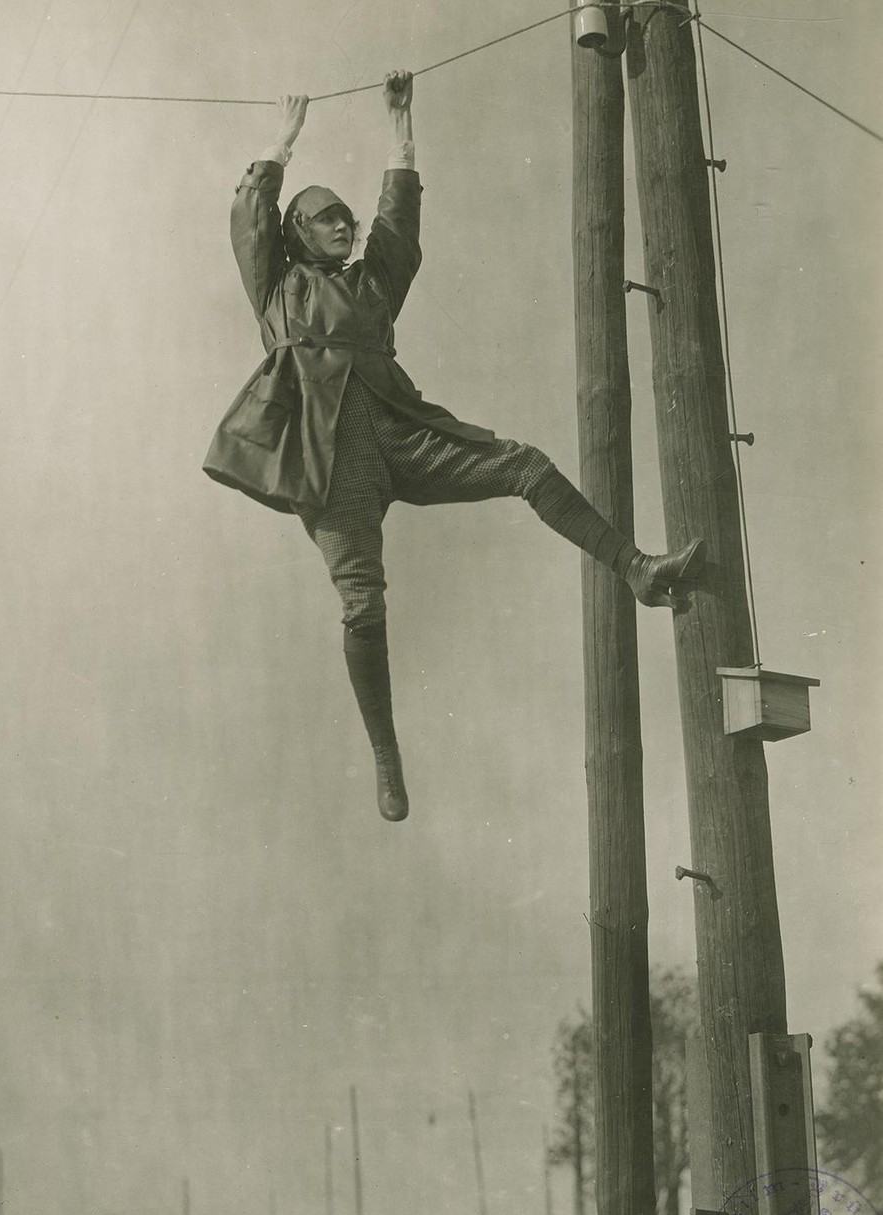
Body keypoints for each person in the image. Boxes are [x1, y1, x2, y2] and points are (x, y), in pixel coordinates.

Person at [205, 72, 704, 822]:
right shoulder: (277, 291)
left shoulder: (370, 288)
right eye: (328, 219)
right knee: (362, 603)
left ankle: (635, 568)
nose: (345, 226)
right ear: (298, 234)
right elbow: (249, 215)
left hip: (401, 432)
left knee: (526, 465)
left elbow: (398, 232)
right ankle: (385, 753)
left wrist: (400, 128)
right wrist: (281, 143)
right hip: (325, 458)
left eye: (347, 216)